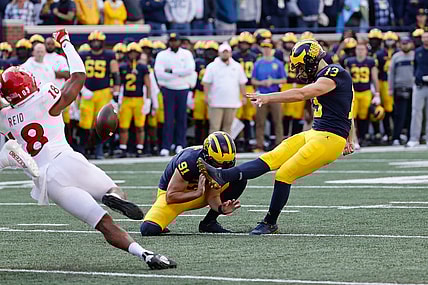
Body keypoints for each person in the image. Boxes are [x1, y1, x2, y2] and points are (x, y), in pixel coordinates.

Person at [0, 29, 176, 270]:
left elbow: (8, 108)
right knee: (113, 189)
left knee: (104, 224)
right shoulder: (44, 97)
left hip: (47, 181)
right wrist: (65, 42)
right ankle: (111, 196)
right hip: (66, 159)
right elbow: (79, 76)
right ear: (28, 83)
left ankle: (144, 254)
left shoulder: (5, 118)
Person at [198, 39, 355, 235]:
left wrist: (268, 97)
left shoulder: (334, 73)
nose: (300, 71)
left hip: (329, 138)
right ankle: (223, 176)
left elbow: (301, 94)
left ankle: (270, 222)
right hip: (315, 133)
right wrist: (350, 136)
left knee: (284, 174)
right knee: (272, 157)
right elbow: (348, 108)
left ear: (312, 60)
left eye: (301, 66)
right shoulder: (326, 75)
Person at [140, 131, 245, 236]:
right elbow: (171, 196)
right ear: (206, 156)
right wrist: (197, 193)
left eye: (226, 165)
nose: (220, 168)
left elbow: (212, 196)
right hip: (176, 197)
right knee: (149, 229)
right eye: (216, 163)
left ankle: (209, 222)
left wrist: (221, 208)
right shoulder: (189, 161)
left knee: (239, 178)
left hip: (201, 192)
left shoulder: (223, 161)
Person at [78, 31, 120, 159]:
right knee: (84, 122)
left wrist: (116, 93)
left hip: (104, 92)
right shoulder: (84, 55)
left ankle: (99, 149)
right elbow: (77, 73)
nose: (96, 43)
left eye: (98, 41)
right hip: (88, 92)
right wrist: (82, 89)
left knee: (101, 122)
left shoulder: (109, 55)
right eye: (93, 41)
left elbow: (116, 74)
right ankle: (83, 149)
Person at [154, 33, 196, 156]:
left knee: (181, 118)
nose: (174, 43)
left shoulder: (186, 54)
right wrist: (180, 74)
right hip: (168, 89)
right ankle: (166, 146)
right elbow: (160, 73)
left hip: (182, 89)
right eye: (172, 41)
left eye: (176, 41)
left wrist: (172, 71)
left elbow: (190, 70)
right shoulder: (162, 55)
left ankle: (180, 144)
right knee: (168, 118)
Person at [203, 42, 247, 135]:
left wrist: (244, 96)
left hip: (232, 101)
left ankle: (227, 148)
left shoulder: (237, 66)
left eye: (227, 52)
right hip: (215, 102)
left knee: (228, 128)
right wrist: (206, 96)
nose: (225, 54)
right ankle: (213, 148)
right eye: (223, 52)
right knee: (215, 127)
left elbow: (242, 82)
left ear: (230, 53)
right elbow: (206, 82)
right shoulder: (212, 66)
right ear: (219, 53)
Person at [251, 39, 286, 152]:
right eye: (264, 47)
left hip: (275, 95)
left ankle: (279, 144)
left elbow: (284, 79)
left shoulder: (278, 63)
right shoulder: (258, 63)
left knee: (278, 121)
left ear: (272, 49)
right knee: (260, 121)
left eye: (268, 47)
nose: (266, 50)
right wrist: (262, 83)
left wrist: (273, 81)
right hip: (261, 95)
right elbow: (253, 80)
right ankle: (259, 145)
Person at [344, 42, 380, 147]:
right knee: (352, 116)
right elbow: (347, 79)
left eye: (362, 49)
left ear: (366, 51)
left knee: (364, 116)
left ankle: (363, 137)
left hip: (366, 92)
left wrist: (377, 93)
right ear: (355, 51)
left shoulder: (371, 62)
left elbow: (375, 78)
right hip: (354, 92)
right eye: (358, 49)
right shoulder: (349, 62)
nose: (360, 51)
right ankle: (355, 139)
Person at [118, 42, 151, 157]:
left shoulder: (142, 67)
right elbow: (118, 83)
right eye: (131, 53)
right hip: (126, 99)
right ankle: (123, 148)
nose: (132, 55)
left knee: (140, 126)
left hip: (139, 99)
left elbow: (148, 85)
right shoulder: (123, 66)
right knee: (123, 126)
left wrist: (148, 100)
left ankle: (140, 148)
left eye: (135, 53)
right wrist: (117, 98)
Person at [389, 36, 414, 146]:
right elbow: (391, 73)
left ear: (411, 44)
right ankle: (396, 137)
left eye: (407, 43)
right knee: (399, 115)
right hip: (399, 88)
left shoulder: (415, 55)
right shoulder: (396, 57)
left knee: (411, 114)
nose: (405, 45)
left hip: (413, 88)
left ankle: (410, 137)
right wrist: (390, 88)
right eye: (403, 43)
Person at [407, 31, 428, 147]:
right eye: (424, 37)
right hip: (420, 85)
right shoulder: (418, 51)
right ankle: (414, 138)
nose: (425, 39)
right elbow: (415, 67)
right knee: (416, 112)